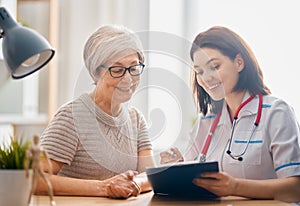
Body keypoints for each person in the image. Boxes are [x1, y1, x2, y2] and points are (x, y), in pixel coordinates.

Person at [160, 26, 300, 202]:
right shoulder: (206, 121)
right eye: (200, 72)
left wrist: (235, 187)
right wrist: (175, 168)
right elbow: (193, 178)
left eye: (214, 66)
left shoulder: (276, 112)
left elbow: (295, 189)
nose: (207, 78)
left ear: (239, 62)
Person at [37, 25, 155, 199]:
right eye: (117, 70)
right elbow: (36, 179)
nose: (128, 78)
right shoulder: (72, 116)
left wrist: (132, 183)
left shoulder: (135, 118)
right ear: (94, 74)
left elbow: (151, 176)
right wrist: (104, 187)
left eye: (134, 68)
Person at [26, 135, 55, 206]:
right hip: (34, 167)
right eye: (35, 138)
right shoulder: (31, 148)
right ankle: (28, 203)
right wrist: (26, 170)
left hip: (40, 167)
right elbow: (27, 159)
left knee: (48, 183)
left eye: (37, 138)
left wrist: (50, 168)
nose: (36, 140)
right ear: (33, 139)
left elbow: (47, 159)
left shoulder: (41, 149)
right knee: (33, 187)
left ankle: (52, 201)